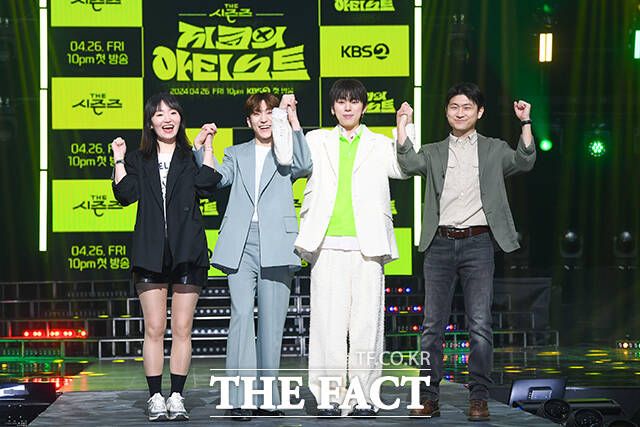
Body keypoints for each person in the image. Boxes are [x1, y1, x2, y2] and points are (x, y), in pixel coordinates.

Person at [396, 82, 536, 421]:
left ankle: (479, 398)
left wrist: (525, 122)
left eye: (467, 107)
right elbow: (409, 163)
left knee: (480, 324)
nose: (460, 113)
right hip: (439, 244)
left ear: (479, 112)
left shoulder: (493, 149)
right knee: (432, 326)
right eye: (454, 107)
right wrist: (402, 125)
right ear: (446, 112)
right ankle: (428, 396)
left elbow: (524, 161)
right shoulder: (433, 151)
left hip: (478, 243)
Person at [294, 79, 411, 417]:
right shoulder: (316, 140)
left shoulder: (380, 143)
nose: (347, 107)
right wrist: (289, 120)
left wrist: (405, 127)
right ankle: (329, 396)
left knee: (367, 326)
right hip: (326, 243)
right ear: (333, 108)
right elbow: (291, 160)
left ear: (364, 107)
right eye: (341, 102)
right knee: (327, 326)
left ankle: (363, 396)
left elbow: (404, 169)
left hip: (368, 245)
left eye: (354, 101)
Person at [194, 93, 312, 420]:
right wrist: (202, 148)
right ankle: (240, 397)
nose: (263, 119)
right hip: (241, 242)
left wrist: (293, 120)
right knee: (242, 315)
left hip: (278, 242)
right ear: (248, 121)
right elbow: (217, 178)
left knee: (273, 324)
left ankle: (268, 398)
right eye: (257, 113)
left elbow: (305, 165)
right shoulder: (236, 153)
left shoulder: (286, 151)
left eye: (269, 112)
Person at [111, 92, 221, 422]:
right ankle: (155, 397)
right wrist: (118, 159)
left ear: (180, 119)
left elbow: (208, 184)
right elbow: (125, 194)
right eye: (159, 114)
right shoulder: (138, 159)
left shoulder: (190, 156)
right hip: (150, 252)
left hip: (188, 250)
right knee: (155, 328)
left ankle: (177, 396)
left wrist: (207, 148)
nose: (167, 119)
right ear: (150, 123)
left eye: (173, 113)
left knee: (183, 328)